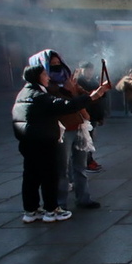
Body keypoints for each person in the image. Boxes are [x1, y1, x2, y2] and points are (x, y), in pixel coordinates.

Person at [12, 64, 109, 223]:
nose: (48, 77)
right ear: (38, 77)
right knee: (50, 175)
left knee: (31, 177)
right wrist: (92, 96)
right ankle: (52, 210)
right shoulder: (40, 95)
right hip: (43, 140)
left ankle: (31, 211)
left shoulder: (23, 93)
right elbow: (64, 105)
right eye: (45, 74)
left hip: (27, 140)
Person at [30, 49, 102, 210]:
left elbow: (85, 97)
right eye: (52, 65)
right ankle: (60, 203)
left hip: (78, 126)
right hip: (60, 130)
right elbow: (59, 105)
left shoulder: (70, 80)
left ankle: (84, 198)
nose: (56, 67)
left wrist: (96, 92)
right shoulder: (44, 86)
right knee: (61, 169)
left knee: (80, 166)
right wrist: (69, 91)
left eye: (58, 63)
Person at [75, 61, 107, 172]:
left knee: (91, 140)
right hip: (84, 116)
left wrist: (101, 116)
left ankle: (90, 159)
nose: (89, 72)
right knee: (85, 141)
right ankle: (86, 162)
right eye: (87, 69)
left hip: (93, 116)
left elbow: (100, 101)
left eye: (91, 69)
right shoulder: (78, 83)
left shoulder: (95, 83)